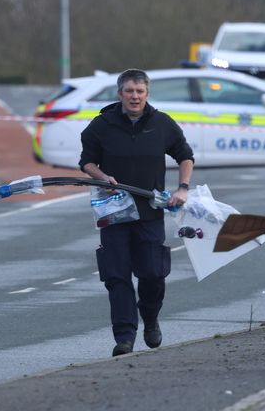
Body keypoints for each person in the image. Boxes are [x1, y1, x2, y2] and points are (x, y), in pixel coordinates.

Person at [79, 68, 194, 357]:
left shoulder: (162, 124)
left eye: (139, 91)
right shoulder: (101, 125)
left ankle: (151, 318)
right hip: (114, 214)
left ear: (147, 94)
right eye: (129, 91)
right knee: (117, 278)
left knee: (153, 274)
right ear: (120, 94)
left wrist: (182, 188)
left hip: (150, 213)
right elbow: (87, 163)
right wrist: (102, 177)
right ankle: (125, 338)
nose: (134, 96)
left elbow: (185, 155)